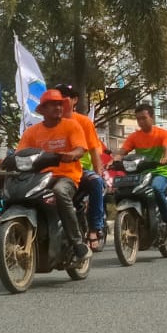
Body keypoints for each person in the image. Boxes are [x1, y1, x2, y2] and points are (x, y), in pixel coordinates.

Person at [15, 89, 90, 259]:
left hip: (67, 176)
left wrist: (72, 154)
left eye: (59, 104)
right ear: (43, 110)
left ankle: (77, 242)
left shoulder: (71, 125)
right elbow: (20, 153)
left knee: (60, 192)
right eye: (52, 105)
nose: (57, 108)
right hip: (39, 178)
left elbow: (80, 148)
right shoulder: (32, 132)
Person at [55, 84, 108, 250]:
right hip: (53, 172)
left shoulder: (84, 122)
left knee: (96, 183)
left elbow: (94, 150)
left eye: (64, 97)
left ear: (74, 100)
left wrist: (99, 172)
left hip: (80, 170)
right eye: (55, 100)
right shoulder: (49, 123)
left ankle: (94, 228)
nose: (60, 103)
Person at [118, 102, 167, 227]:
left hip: (159, 172)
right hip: (141, 174)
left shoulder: (163, 134)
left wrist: (166, 158)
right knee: (123, 190)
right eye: (138, 119)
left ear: (152, 117)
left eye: (144, 118)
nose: (141, 122)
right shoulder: (134, 136)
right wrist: (115, 159)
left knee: (156, 189)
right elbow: (123, 151)